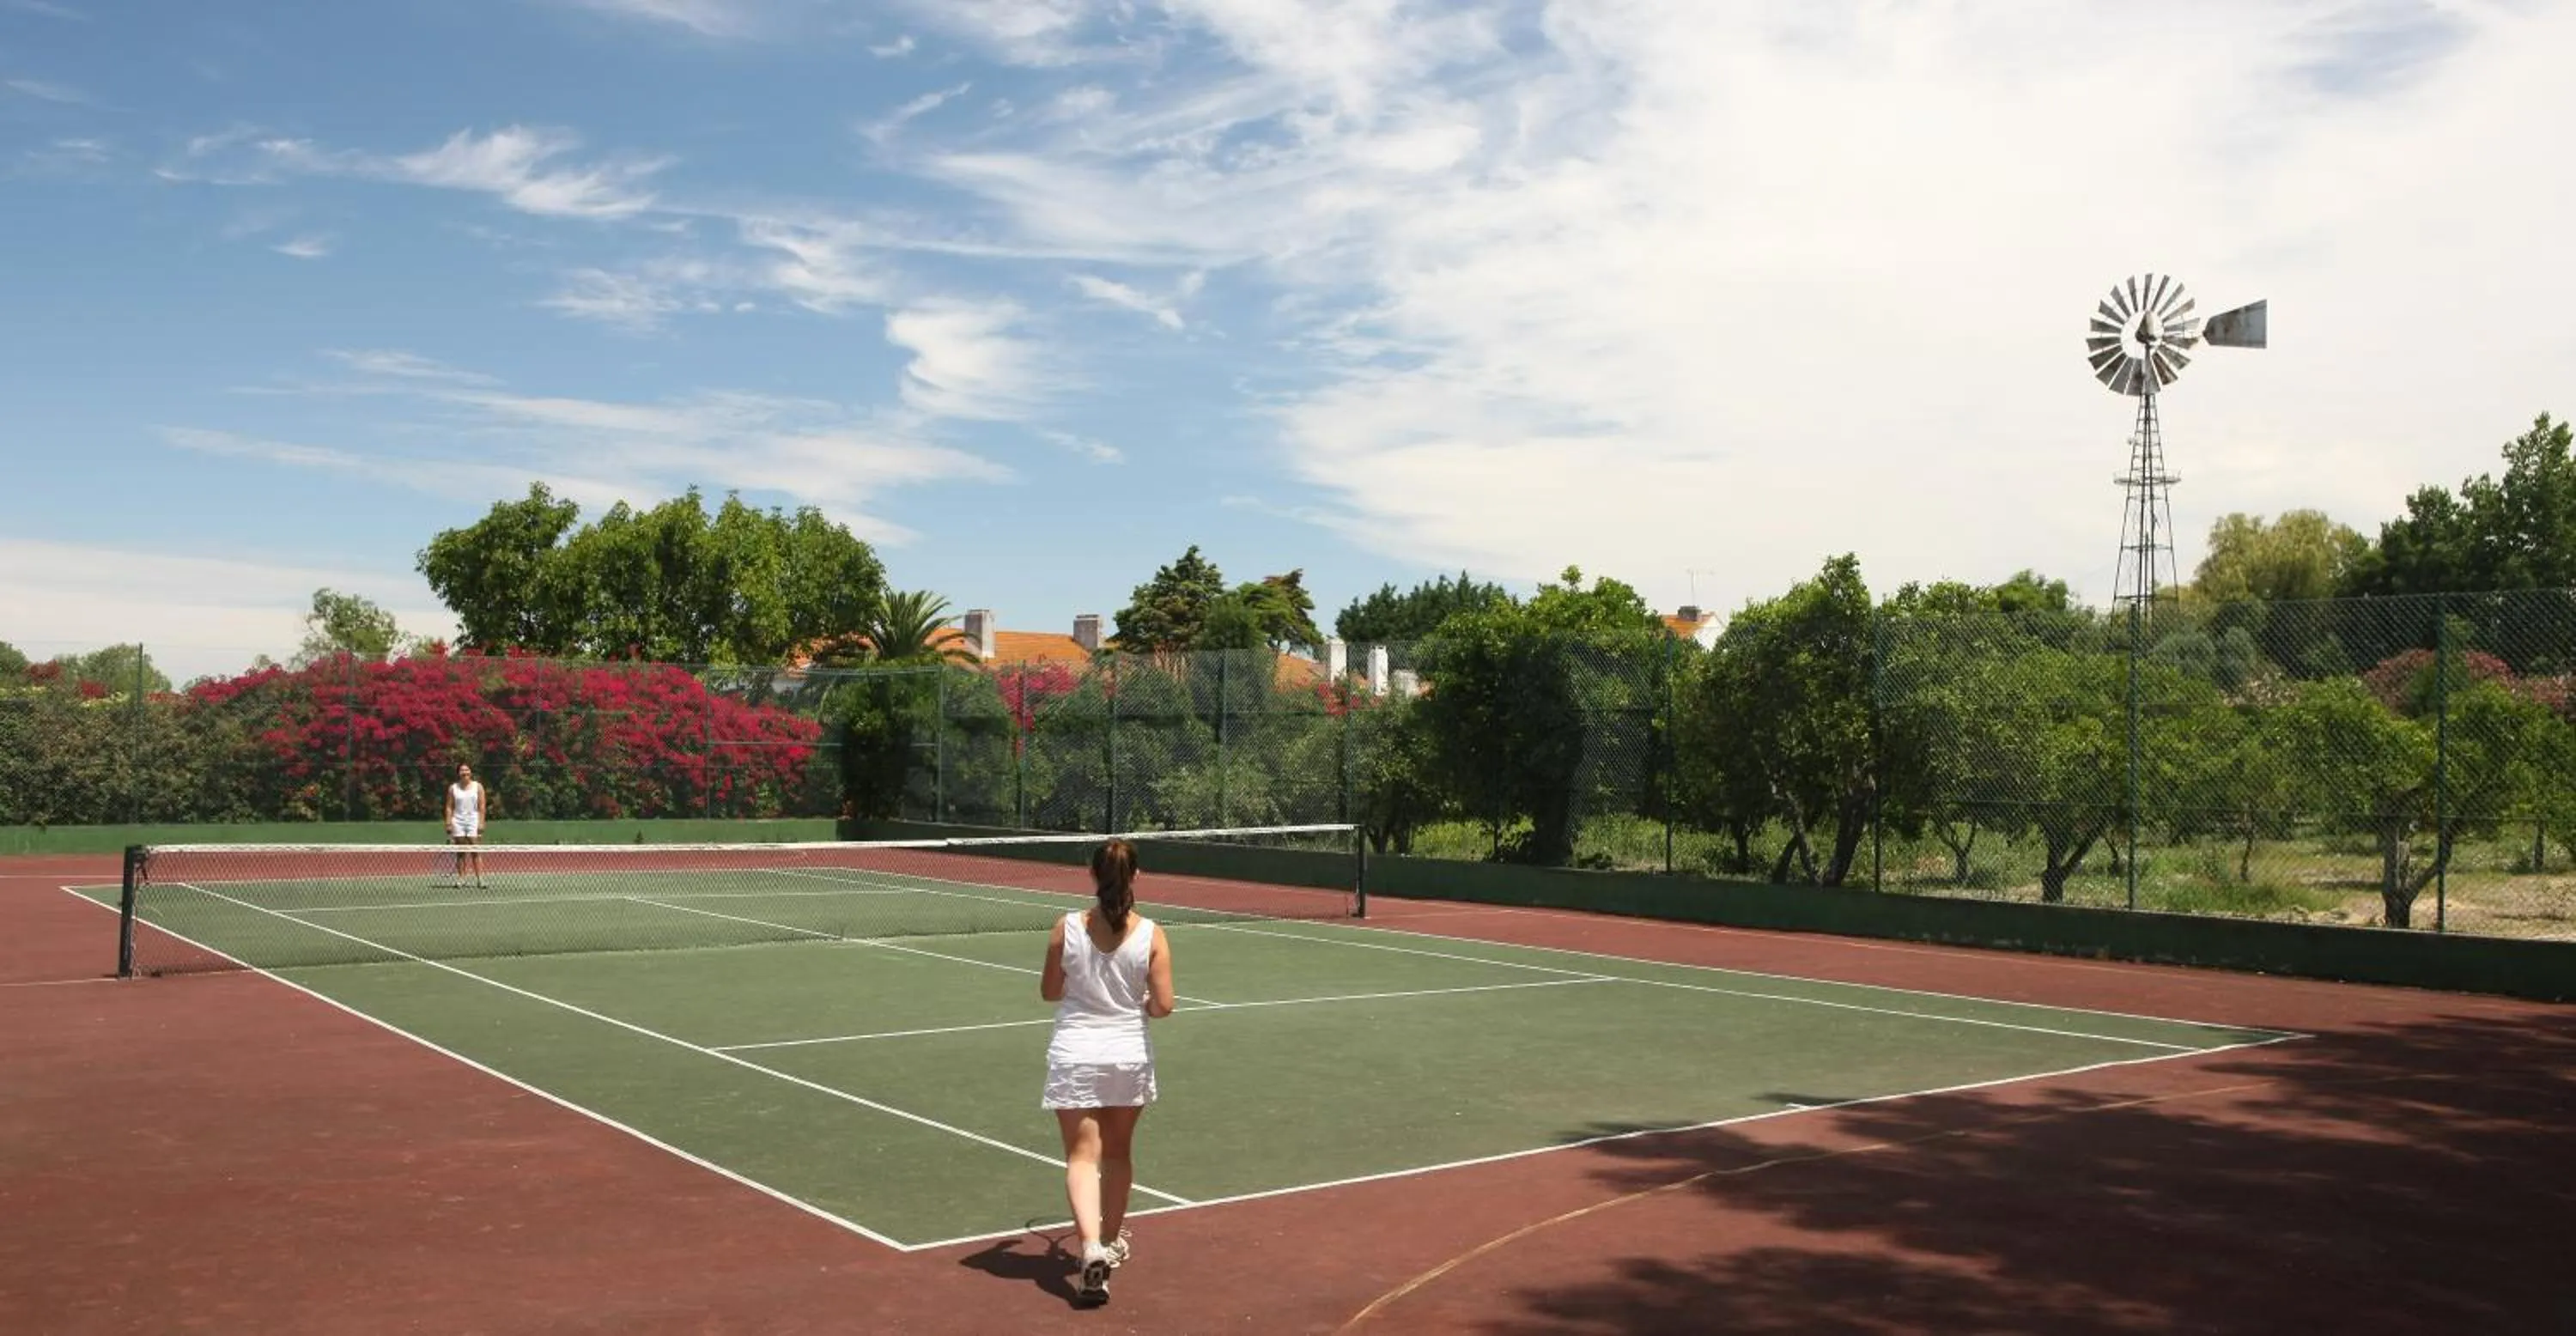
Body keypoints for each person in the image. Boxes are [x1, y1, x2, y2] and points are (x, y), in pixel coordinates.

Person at [1038, 839, 1176, 1308]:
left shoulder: (1066, 929)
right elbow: (1163, 1006)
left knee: (1082, 1156)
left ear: (1093, 877)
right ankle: (1109, 1244)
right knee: (1117, 1154)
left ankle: (1091, 1247)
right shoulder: (1152, 934)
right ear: (1135, 878)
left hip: (1075, 1052)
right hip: (1127, 1055)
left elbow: (1051, 992)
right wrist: (1137, 1002)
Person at [443, 762, 489, 888]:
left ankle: (480, 879)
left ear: (471, 772)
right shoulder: (453, 788)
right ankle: (462, 878)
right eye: (462, 770)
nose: (465, 772)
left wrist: (481, 823)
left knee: (475, 850)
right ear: (458, 773)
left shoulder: (478, 786)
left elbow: (482, 806)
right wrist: (448, 823)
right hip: (458, 821)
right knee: (461, 852)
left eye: (467, 770)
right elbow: (449, 807)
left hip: (473, 820)